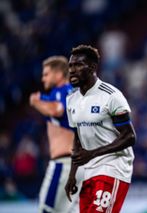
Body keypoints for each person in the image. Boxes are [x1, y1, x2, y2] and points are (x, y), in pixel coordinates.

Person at [65, 44, 136, 213]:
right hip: (89, 171)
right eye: (70, 66)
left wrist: (93, 153)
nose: (72, 70)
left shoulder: (111, 96)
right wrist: (72, 175)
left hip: (113, 167)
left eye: (78, 65)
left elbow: (130, 137)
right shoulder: (71, 100)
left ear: (92, 68)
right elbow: (78, 140)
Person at [29, 56, 79, 212]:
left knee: (46, 210)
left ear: (58, 75)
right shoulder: (73, 93)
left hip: (62, 164)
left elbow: (57, 110)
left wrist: (35, 102)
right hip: (76, 164)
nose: (43, 78)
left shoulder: (61, 91)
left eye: (46, 74)